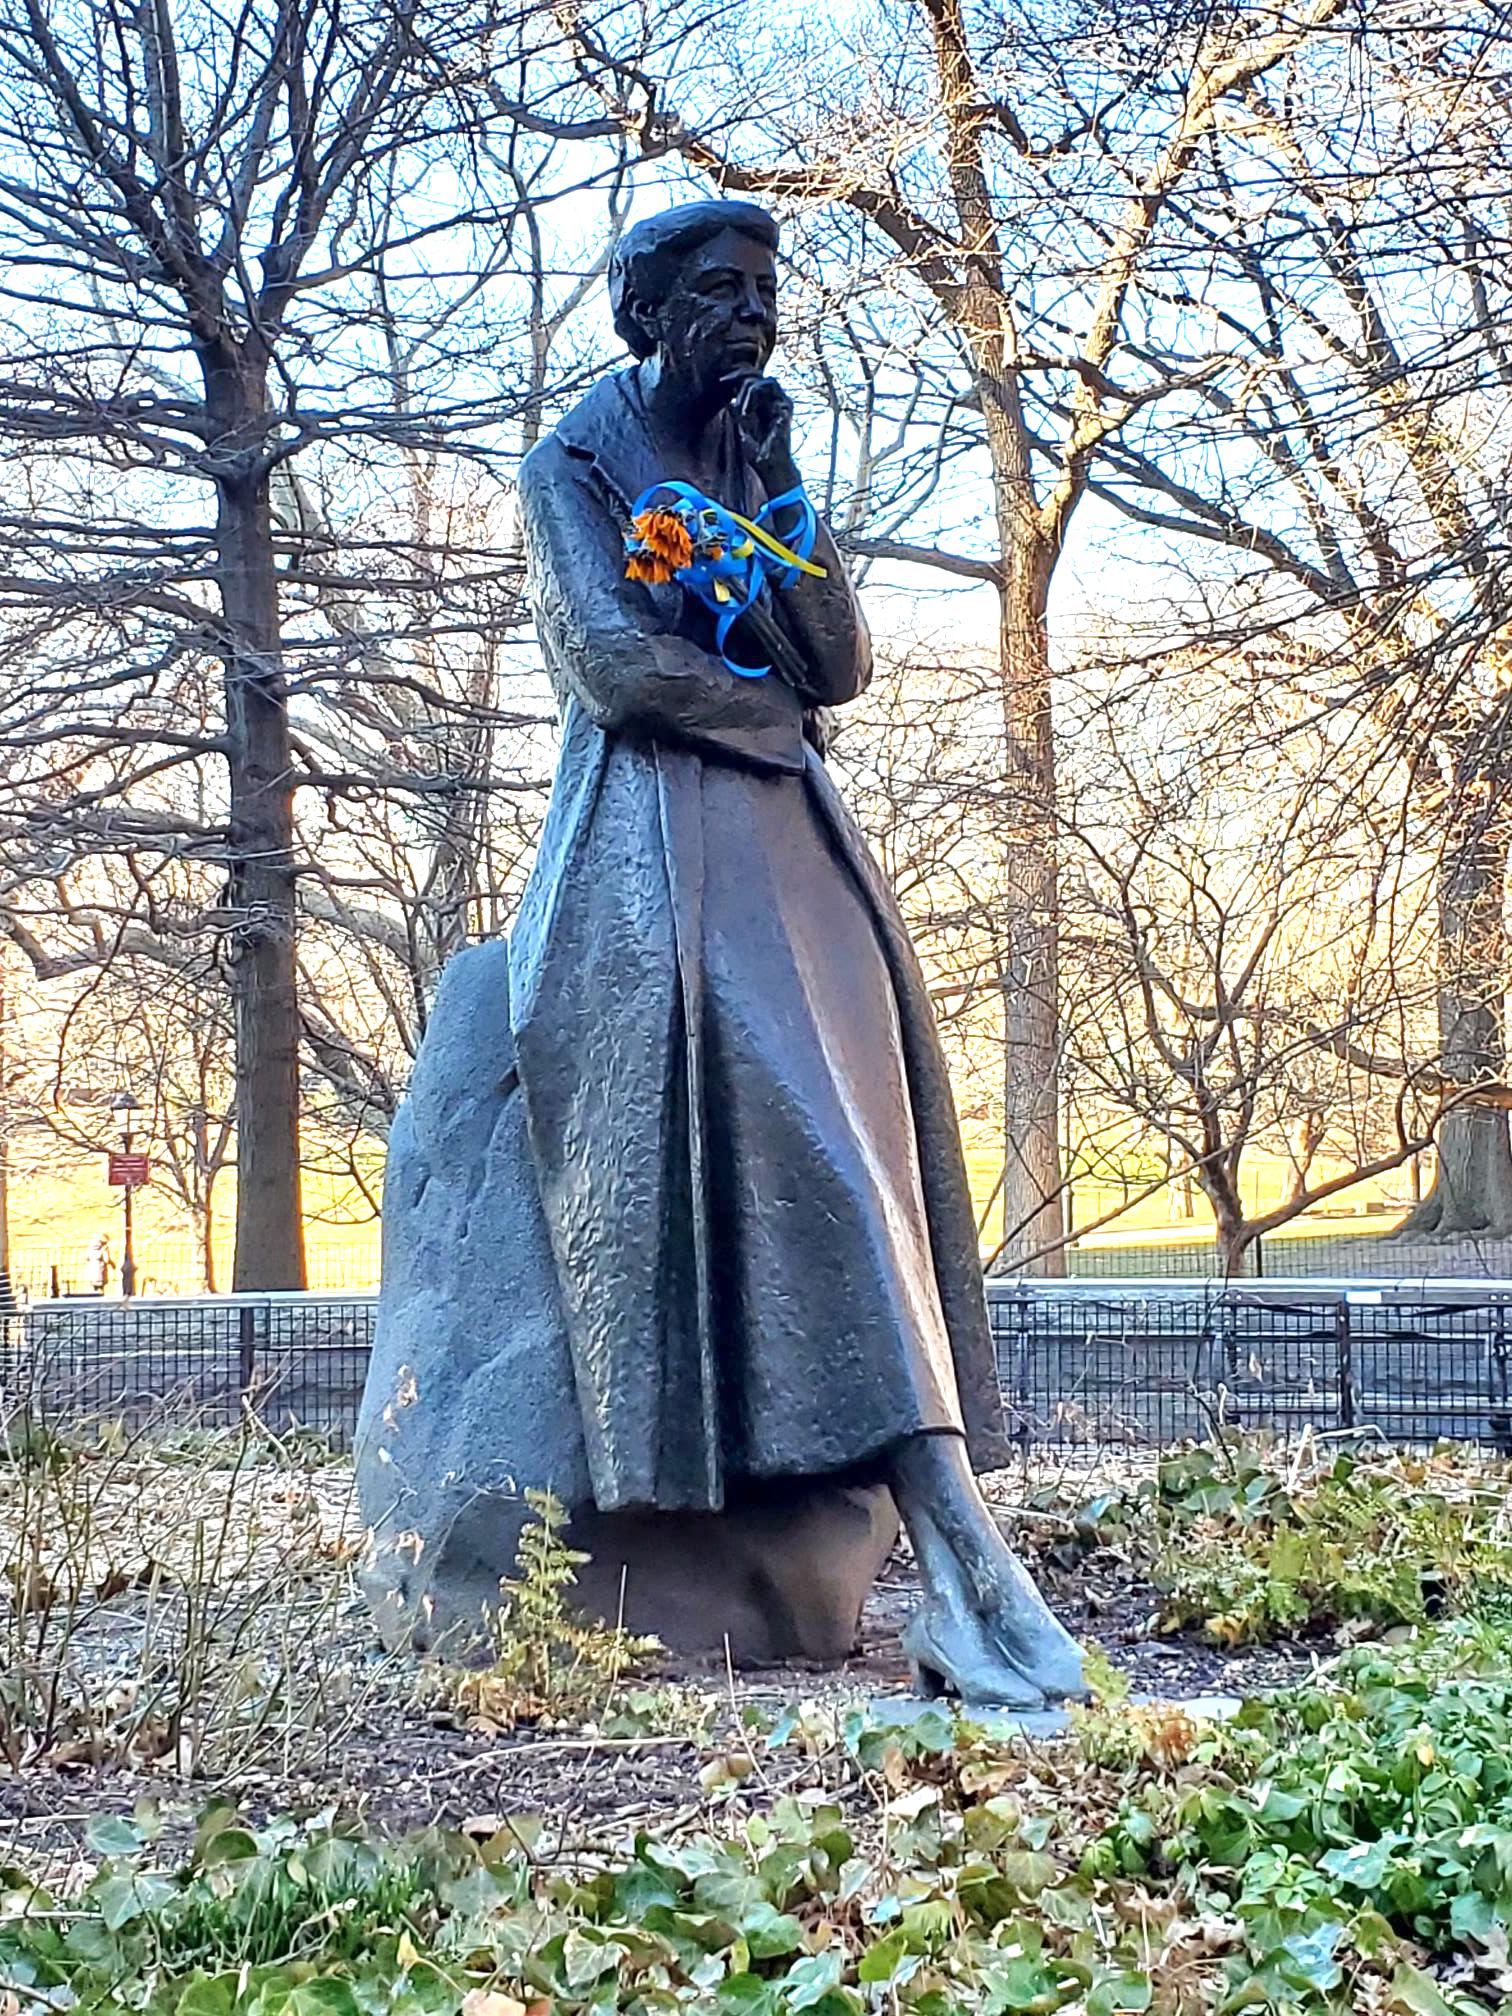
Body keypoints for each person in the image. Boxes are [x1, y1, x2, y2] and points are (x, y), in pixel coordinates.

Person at [509, 200, 1083, 1707]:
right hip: (649, 847)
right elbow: (614, 665)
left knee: (874, 1138)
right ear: (645, 313)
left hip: (791, 838)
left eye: (764, 292)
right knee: (812, 1129)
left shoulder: (757, 457)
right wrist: (768, 720)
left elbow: (841, 659)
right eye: (716, 292)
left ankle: (957, 1548)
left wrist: (785, 486)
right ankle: (962, 1549)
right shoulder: (572, 457)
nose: (749, 317)